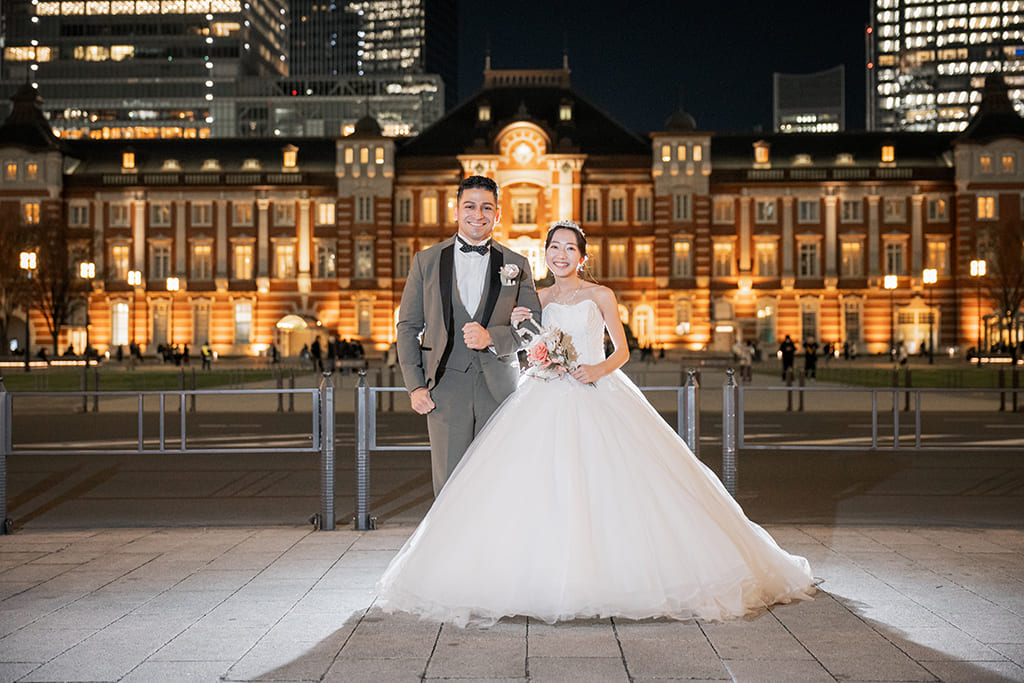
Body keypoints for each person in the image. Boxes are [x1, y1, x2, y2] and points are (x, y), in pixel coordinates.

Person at [378, 221, 815, 627]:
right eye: (554, 247)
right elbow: (523, 345)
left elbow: (622, 351)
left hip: (596, 387)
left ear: (582, 257)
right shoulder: (536, 298)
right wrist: (529, 342)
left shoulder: (600, 295)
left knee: (617, 481)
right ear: (545, 254)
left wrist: (595, 370)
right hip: (544, 390)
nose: (561, 255)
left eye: (570, 249)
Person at [396, 175, 542, 496]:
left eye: (487, 207)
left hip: (500, 390)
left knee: (499, 483)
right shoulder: (426, 261)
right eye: (470, 206)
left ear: (497, 214)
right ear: (456, 210)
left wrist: (493, 338)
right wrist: (415, 385)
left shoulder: (516, 263)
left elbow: (534, 325)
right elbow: (407, 327)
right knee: (449, 487)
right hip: (444, 389)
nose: (478, 214)